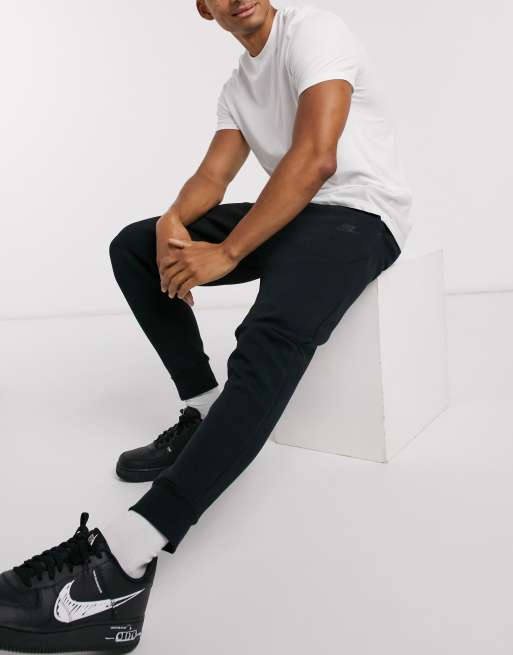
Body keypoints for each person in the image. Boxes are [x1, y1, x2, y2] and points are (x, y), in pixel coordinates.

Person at [0, 1, 413, 652]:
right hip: (292, 217)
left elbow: (316, 158)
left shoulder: (313, 31)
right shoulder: (238, 86)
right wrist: (173, 222)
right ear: (204, 8)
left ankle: (124, 561)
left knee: (265, 341)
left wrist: (225, 251)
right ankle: (201, 407)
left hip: (358, 217)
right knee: (135, 247)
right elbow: (212, 176)